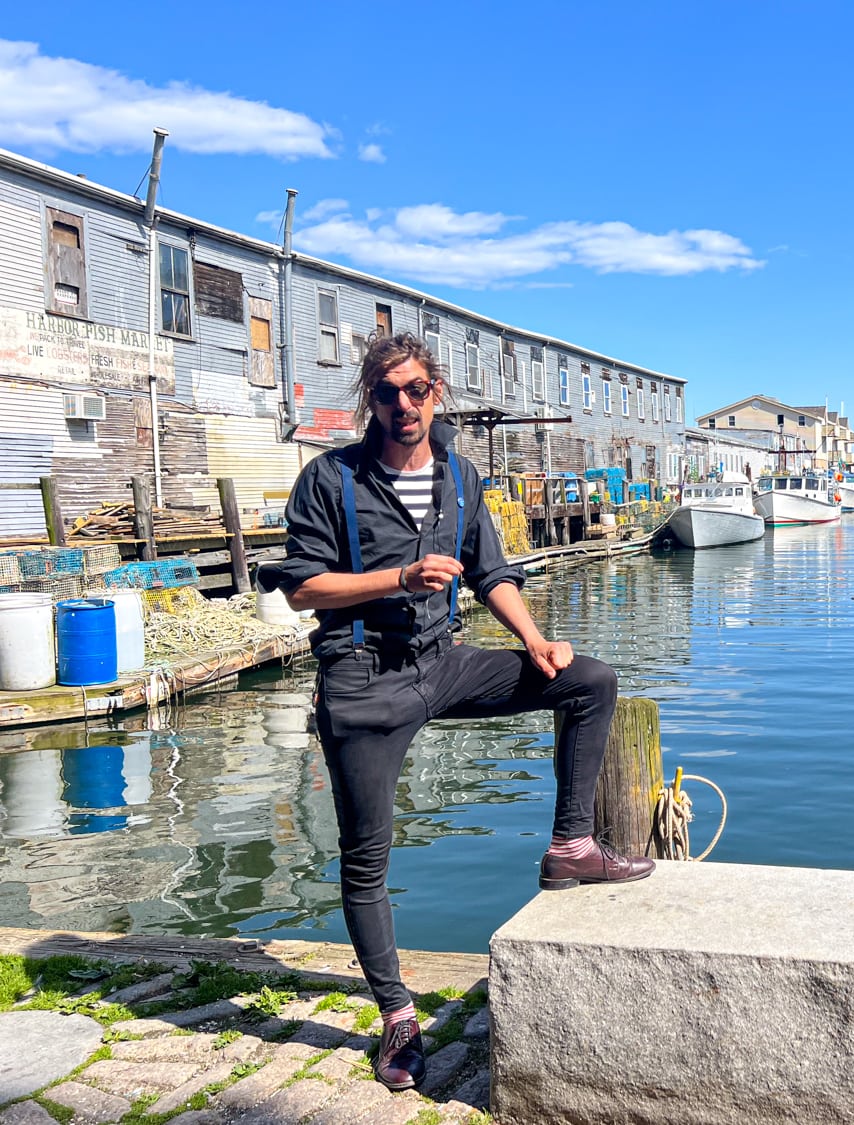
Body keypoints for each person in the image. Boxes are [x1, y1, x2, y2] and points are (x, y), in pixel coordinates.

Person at [260, 333, 653, 1091]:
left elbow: (492, 573)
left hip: (444, 662)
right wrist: (395, 577)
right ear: (368, 401)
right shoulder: (329, 479)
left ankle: (573, 844)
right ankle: (398, 1016)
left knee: (590, 683)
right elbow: (303, 587)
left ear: (435, 391)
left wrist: (537, 640)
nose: (402, 406)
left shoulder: (461, 477)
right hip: (363, 676)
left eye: (414, 390)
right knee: (367, 858)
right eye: (386, 393)